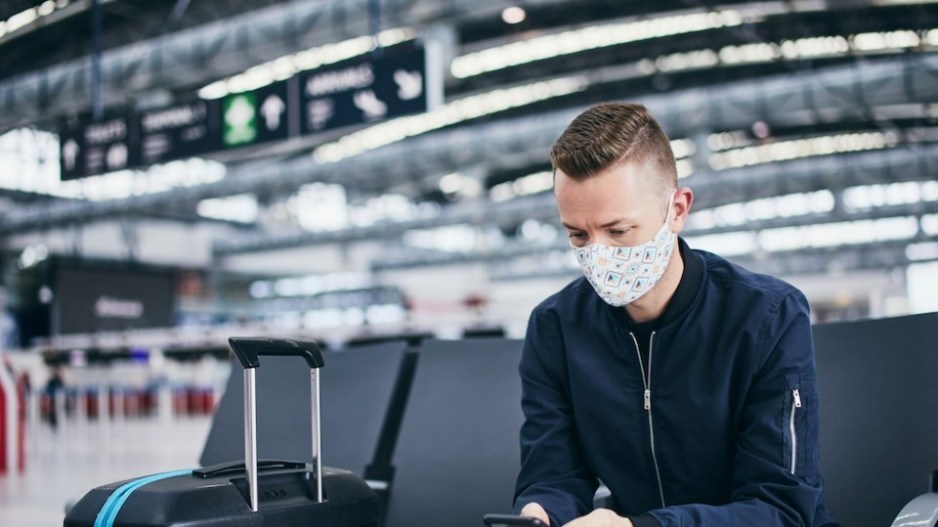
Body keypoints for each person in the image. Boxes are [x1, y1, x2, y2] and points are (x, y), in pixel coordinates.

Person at [513, 102, 838, 527]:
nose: (598, 254)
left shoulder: (767, 317)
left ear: (678, 210)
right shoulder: (556, 327)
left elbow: (782, 508)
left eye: (618, 231)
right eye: (577, 234)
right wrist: (539, 514)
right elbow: (553, 474)